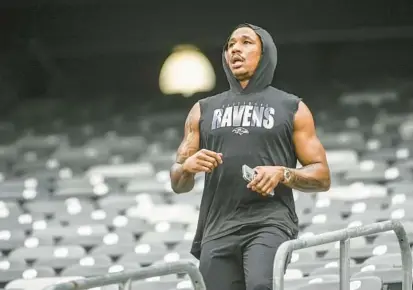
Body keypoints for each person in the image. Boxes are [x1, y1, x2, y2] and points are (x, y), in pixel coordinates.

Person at [170, 23, 331, 290]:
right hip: (218, 226)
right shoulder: (202, 110)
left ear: (265, 52)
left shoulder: (293, 107)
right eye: (230, 45)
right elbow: (177, 183)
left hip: (269, 222)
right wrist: (186, 167)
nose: (235, 49)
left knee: (260, 285)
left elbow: (323, 176)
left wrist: (283, 173)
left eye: (246, 42)